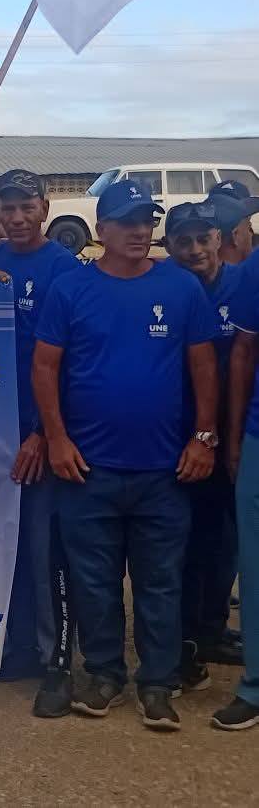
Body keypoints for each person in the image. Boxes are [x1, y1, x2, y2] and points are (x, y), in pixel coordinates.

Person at [33, 178, 218, 732]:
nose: (141, 231)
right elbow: (45, 367)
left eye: (147, 221)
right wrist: (57, 438)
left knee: (161, 580)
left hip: (163, 468)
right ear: (103, 229)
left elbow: (203, 365)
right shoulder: (71, 288)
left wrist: (203, 437)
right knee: (94, 581)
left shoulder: (181, 287)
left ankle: (157, 684)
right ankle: (106, 673)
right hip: (87, 468)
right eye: (129, 222)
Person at [0, 170, 81, 717]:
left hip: (40, 433)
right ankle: (12, 648)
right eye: (6, 209)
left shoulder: (63, 269)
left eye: (26, 207)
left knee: (44, 549)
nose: (16, 218)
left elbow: (67, 362)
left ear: (44, 208)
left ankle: (53, 655)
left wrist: (43, 430)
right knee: (1, 547)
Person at [162, 202, 244, 693]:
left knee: (224, 541)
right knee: (182, 544)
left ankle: (211, 629)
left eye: (202, 239)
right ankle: (182, 639)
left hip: (233, 436)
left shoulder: (242, 283)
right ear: (168, 245)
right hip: (181, 438)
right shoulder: (165, 287)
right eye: (183, 241)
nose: (194, 250)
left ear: (219, 239)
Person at [214, 213, 259, 729]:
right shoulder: (255, 271)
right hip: (258, 437)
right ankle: (254, 684)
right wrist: (233, 437)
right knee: (254, 569)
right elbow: (244, 353)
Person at [206, 187, 259, 267]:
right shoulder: (250, 275)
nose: (251, 234)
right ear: (235, 235)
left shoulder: (190, 273)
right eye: (249, 228)